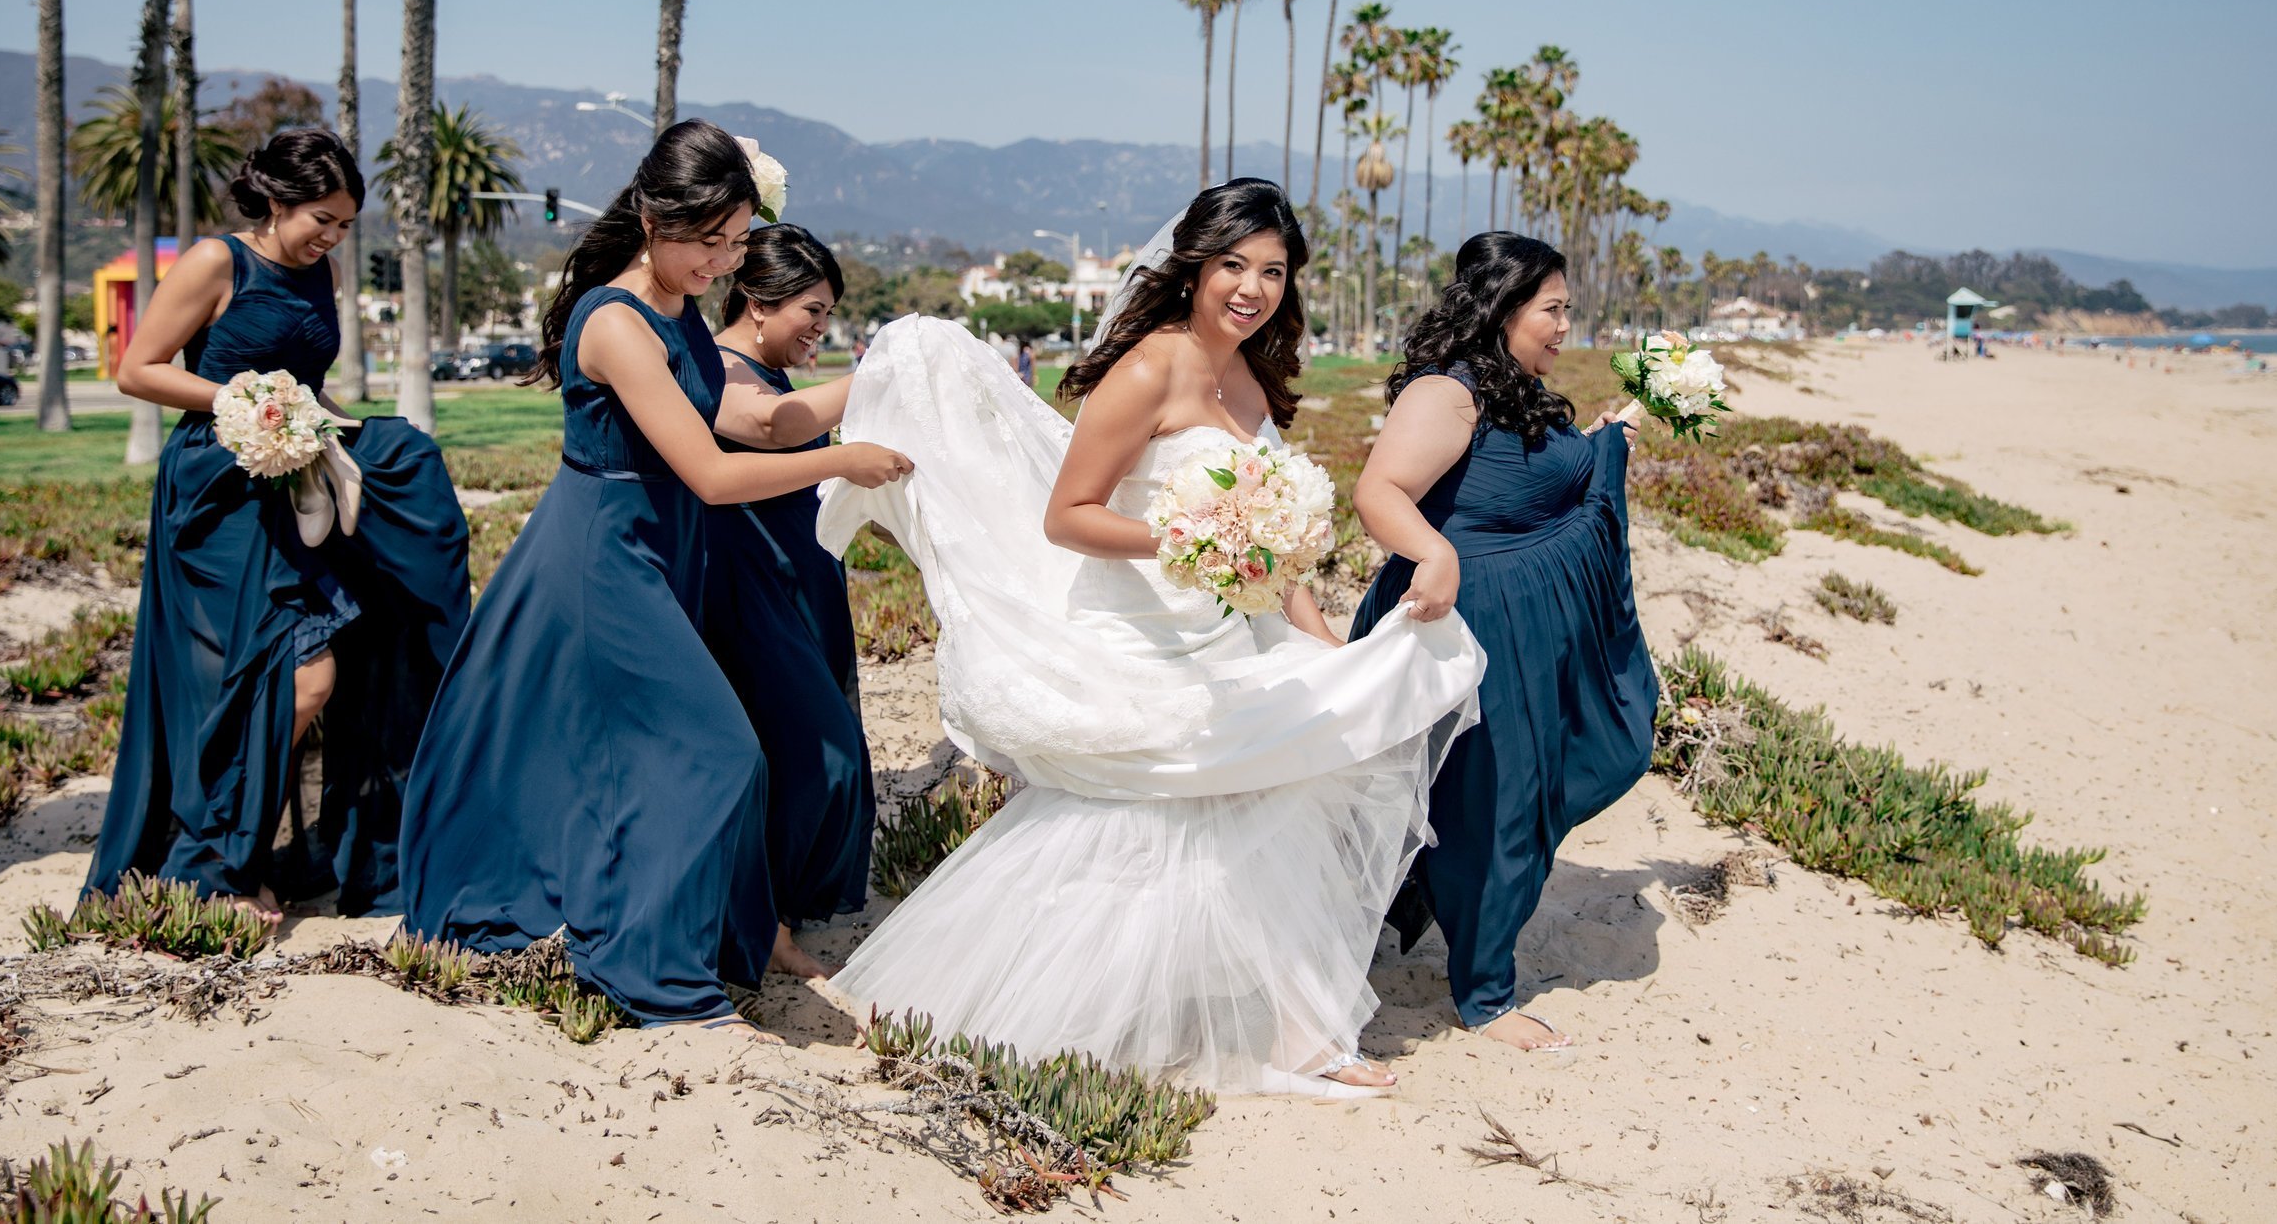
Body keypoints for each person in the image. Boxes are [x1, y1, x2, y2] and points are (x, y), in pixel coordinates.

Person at [818, 179, 1485, 1095]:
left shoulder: (1253, 377)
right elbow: (1070, 515)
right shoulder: (1146, 369)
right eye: (1234, 266)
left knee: (1272, 797)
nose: (1252, 288)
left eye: (1273, 271)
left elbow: (1273, 555)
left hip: (1231, 637)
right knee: (1138, 827)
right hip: (1140, 633)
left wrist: (1325, 642)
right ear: (1194, 266)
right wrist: (1191, 542)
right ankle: (1028, 1011)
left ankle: (1293, 1028)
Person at [400, 122, 912, 1024]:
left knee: (644, 750)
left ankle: (725, 933)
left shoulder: (677, 311)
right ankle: (651, 964)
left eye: (736, 241)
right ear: (650, 216)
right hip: (607, 555)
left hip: (664, 548)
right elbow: (713, 476)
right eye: (707, 241)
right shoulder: (614, 322)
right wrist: (842, 461)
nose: (722, 261)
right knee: (720, 750)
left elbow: (750, 422)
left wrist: (894, 386)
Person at [88, 129, 470, 921]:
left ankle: (245, 850)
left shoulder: (321, 273)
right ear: (275, 200)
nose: (331, 237)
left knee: (305, 673)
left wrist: (346, 430)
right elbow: (138, 369)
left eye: (343, 223)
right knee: (292, 679)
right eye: (321, 218)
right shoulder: (214, 262)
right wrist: (251, 402)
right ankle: (215, 862)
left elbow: (310, 388)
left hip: (294, 483)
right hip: (217, 494)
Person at [1348, 232, 1657, 1053]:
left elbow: (1525, 488)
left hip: (1520, 637)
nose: (1564, 325)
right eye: (1553, 309)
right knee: (1493, 809)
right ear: (1505, 306)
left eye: (1566, 310)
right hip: (1461, 634)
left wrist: (1602, 447)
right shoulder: (1448, 391)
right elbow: (1378, 490)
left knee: (1504, 799)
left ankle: (1448, 937)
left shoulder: (1516, 388)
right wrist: (1437, 551)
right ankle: (1484, 995)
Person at [703, 224, 875, 948]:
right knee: (814, 749)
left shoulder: (771, 373)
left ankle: (773, 918)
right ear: (756, 299)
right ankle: (760, 922)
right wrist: (888, 374)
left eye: (829, 313)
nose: (821, 328)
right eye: (812, 308)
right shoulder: (716, 368)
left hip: (803, 586)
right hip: (752, 589)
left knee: (807, 749)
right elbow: (774, 429)